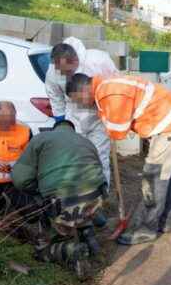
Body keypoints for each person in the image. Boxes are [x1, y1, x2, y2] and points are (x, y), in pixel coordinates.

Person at [67, 73, 171, 245]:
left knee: (154, 176)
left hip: (169, 124)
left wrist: (109, 127)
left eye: (77, 99)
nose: (80, 104)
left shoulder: (108, 92)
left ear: (83, 90)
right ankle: (166, 221)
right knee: (168, 173)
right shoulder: (104, 84)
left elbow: (119, 131)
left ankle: (148, 229)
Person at [8, 119, 107, 278]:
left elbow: (20, 179)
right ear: (72, 130)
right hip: (95, 197)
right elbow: (101, 176)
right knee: (84, 204)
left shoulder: (41, 139)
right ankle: (87, 234)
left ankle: (71, 250)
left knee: (42, 251)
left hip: (64, 199)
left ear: (54, 129)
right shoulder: (86, 142)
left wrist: (39, 190)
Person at [45, 37, 117, 188]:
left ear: (75, 60)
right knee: (75, 159)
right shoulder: (53, 72)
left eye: (69, 71)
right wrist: (61, 125)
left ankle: (100, 196)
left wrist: (114, 116)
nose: (66, 75)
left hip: (99, 115)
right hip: (74, 117)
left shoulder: (98, 60)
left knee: (98, 157)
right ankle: (80, 196)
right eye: (62, 71)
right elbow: (56, 98)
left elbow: (116, 85)